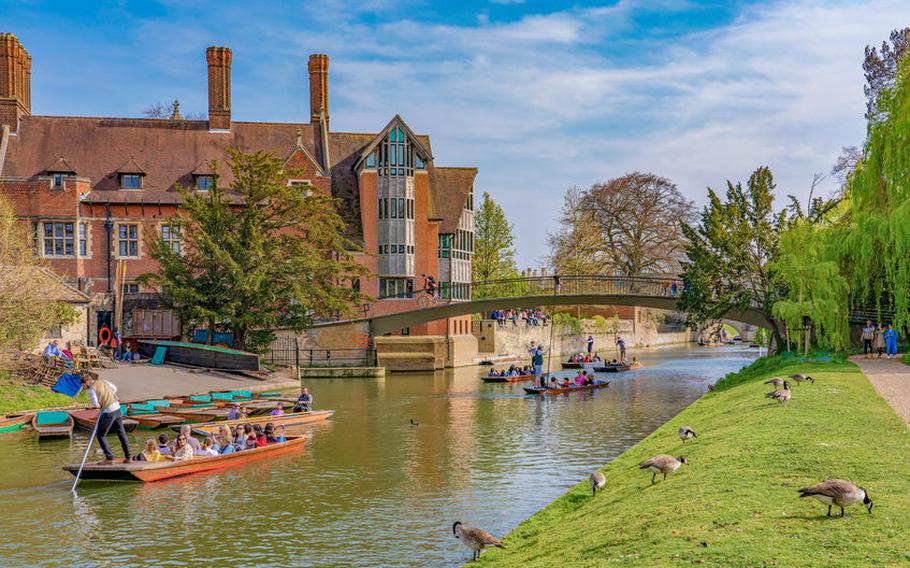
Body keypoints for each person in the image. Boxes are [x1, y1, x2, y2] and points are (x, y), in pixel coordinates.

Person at [81, 374, 131, 464]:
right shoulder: (103, 381)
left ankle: (109, 458)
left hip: (108, 411)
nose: (83, 387)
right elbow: (114, 388)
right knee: (121, 433)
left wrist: (98, 405)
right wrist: (109, 397)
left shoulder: (91, 389)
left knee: (100, 435)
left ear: (87, 382)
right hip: (117, 408)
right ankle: (128, 457)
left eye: (83, 385)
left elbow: (96, 404)